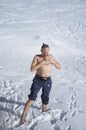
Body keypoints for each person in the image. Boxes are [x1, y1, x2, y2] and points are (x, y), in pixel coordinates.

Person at [20, 43, 61, 124]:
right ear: (41, 50)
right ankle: (22, 116)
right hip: (38, 80)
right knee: (32, 97)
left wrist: (53, 62)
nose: (46, 53)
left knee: (45, 97)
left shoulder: (51, 57)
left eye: (47, 51)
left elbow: (59, 67)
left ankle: (44, 111)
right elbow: (32, 69)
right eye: (44, 51)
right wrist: (41, 63)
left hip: (48, 80)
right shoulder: (37, 57)